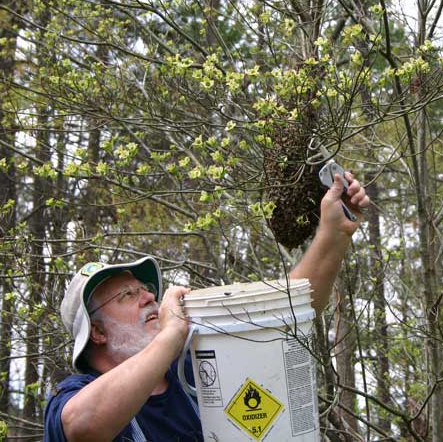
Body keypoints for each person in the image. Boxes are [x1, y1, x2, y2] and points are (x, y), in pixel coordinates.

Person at [44, 172, 370, 441]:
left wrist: (334, 233)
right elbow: (82, 426)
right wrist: (170, 337)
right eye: (127, 295)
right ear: (97, 331)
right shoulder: (72, 396)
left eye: (146, 289)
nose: (148, 297)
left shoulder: (193, 374)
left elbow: (285, 313)